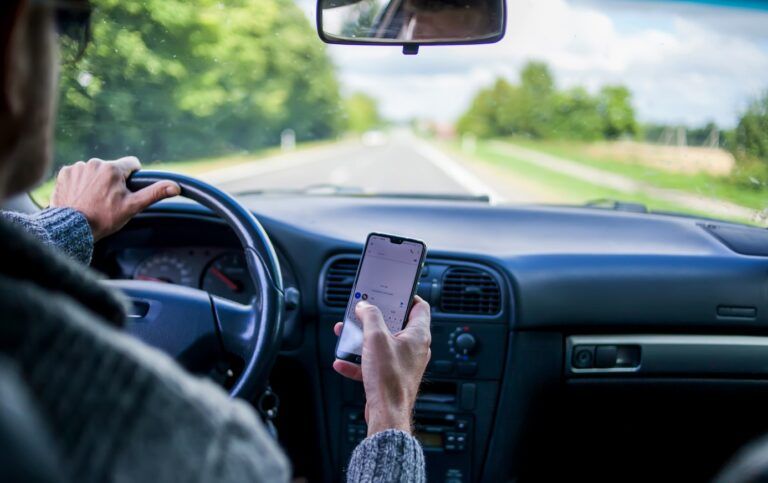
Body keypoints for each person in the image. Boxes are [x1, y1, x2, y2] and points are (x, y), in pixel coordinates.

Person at [0, 1, 431, 482]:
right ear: (13, 54)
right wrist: (390, 413)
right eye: (66, 23)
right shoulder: (213, 453)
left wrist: (73, 222)